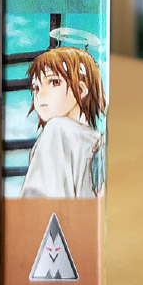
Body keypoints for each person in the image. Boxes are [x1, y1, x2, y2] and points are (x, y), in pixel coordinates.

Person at [20, 46, 106, 199]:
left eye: (54, 82)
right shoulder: (97, 139)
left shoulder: (57, 130)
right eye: (36, 87)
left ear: (81, 90)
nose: (40, 94)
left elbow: (38, 199)